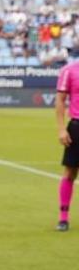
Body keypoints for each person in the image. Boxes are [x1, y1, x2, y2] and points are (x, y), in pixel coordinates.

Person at [55, 57, 79, 231]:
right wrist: (62, 129)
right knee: (70, 172)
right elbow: (61, 100)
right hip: (77, 126)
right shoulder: (69, 70)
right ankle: (63, 217)